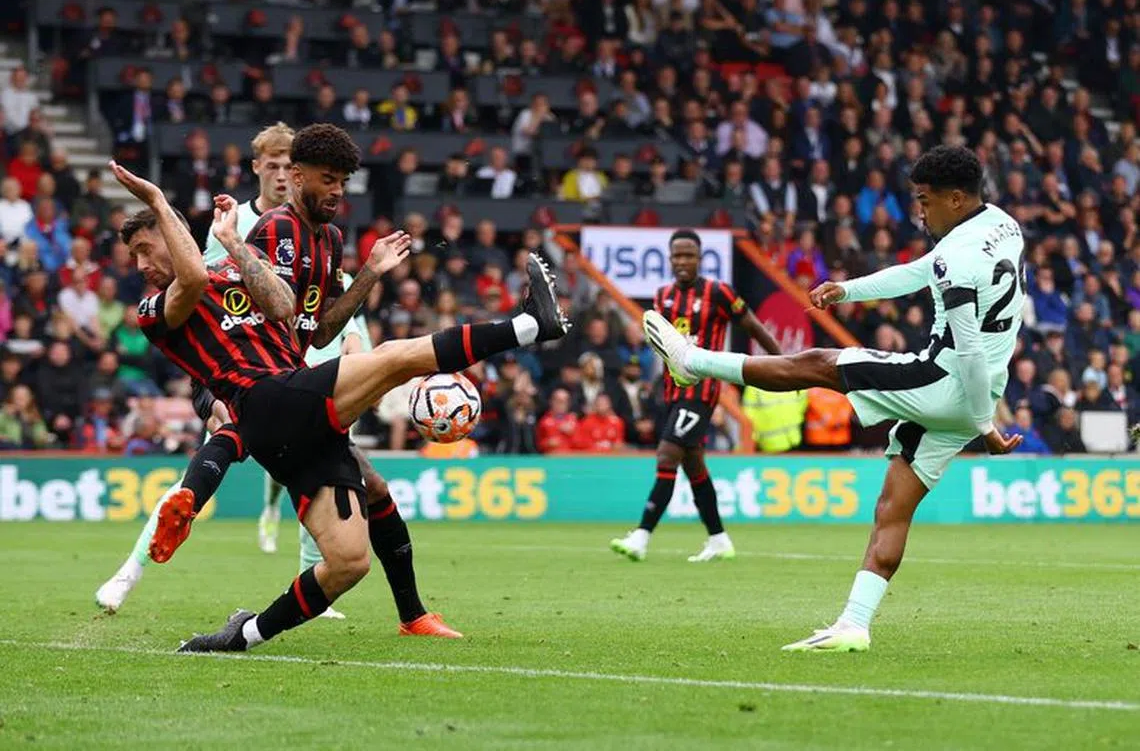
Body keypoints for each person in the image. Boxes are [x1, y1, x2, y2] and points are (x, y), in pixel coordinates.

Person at [110, 138, 567, 653]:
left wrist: (368, 271)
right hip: (264, 398)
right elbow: (251, 294)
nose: (141, 262)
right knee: (393, 359)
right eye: (137, 254)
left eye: (146, 248)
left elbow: (317, 330)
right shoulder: (160, 305)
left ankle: (244, 633)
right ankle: (530, 325)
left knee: (349, 561)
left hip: (291, 410)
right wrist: (161, 204)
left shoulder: (289, 253)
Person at [642, 146, 1025, 651]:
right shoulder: (1002, 225)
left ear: (955, 199)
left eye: (925, 201)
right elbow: (920, 271)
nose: (920, 211)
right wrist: (849, 289)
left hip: (945, 382)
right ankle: (854, 624)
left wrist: (984, 424)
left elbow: (969, 348)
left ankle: (695, 363)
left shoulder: (957, 256)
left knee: (819, 363)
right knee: (893, 506)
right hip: (975, 391)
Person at [95, 124, 450, 634]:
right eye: (276, 163)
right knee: (235, 431)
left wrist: (368, 279)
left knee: (362, 481)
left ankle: (392, 606)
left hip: (286, 368)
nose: (285, 172)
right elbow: (196, 280)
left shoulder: (322, 232)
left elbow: (323, 320)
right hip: (229, 365)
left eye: (291, 163)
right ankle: (132, 568)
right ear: (260, 167)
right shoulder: (236, 222)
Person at [610, 229, 781, 563]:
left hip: (702, 391)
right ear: (670, 259)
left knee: (666, 454)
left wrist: (783, 361)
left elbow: (752, 326)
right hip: (673, 392)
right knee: (694, 466)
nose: (682, 261)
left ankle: (641, 538)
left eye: (689, 255)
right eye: (677, 255)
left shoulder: (718, 292)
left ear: (700, 258)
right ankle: (719, 539)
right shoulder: (662, 297)